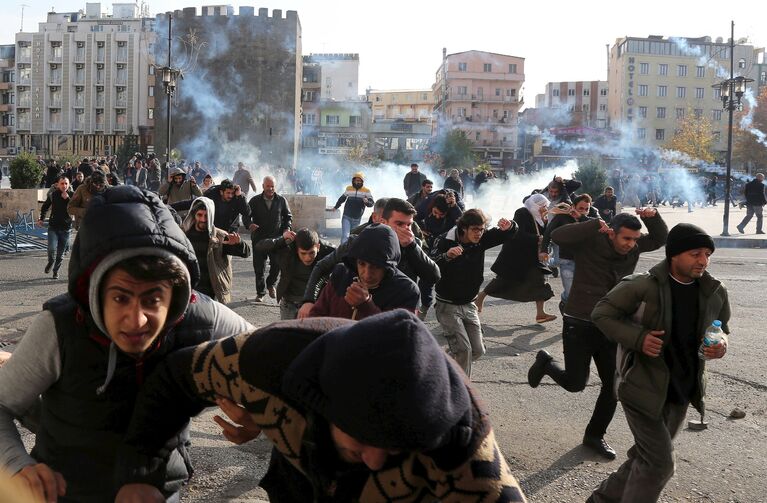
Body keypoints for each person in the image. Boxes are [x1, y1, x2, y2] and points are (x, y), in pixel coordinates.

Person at [0, 186, 253, 502]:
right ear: (95, 290)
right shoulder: (60, 328)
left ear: (175, 296)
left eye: (152, 299)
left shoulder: (203, 319)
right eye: (121, 297)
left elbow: (273, 358)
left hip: (158, 490)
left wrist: (259, 412)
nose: (136, 321)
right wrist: (16, 465)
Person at [114, 310, 528, 502]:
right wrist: (142, 473)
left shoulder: (462, 444)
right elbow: (172, 379)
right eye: (363, 436)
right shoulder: (267, 361)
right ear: (324, 400)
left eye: (398, 445)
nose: (375, 459)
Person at [587, 223, 730, 502]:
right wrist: (638, 338)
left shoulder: (714, 290)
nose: (703, 261)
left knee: (646, 457)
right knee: (660, 464)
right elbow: (601, 313)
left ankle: (600, 500)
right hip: (642, 388)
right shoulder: (643, 286)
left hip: (682, 391)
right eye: (696, 253)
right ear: (674, 255)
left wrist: (722, 342)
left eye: (707, 254)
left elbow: (721, 326)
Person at [528, 209, 668, 460]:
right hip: (580, 321)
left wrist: (652, 216)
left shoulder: (633, 248)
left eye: (635, 239)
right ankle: (546, 363)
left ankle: (594, 435)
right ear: (612, 233)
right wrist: (593, 225)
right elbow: (558, 235)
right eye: (626, 238)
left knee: (613, 385)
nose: (631, 244)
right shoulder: (590, 240)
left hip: (613, 325)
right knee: (575, 383)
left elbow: (660, 239)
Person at [297, 199, 438, 320]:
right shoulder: (359, 243)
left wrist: (412, 247)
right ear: (383, 222)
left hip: (394, 307)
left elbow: (433, 276)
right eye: (399, 224)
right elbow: (323, 267)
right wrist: (308, 300)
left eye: (409, 225)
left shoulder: (413, 245)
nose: (406, 230)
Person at [431, 209, 516, 377]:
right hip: (447, 305)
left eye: (481, 229)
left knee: (478, 351)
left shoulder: (481, 239)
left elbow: (507, 234)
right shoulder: (444, 240)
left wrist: (510, 226)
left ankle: (439, 365)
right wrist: (446, 256)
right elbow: (429, 264)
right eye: (475, 229)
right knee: (464, 350)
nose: (479, 234)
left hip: (469, 303)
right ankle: (462, 393)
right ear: (464, 228)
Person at [308, 224, 420, 319]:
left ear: (388, 266)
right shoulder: (341, 274)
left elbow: (402, 336)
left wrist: (367, 307)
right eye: (361, 264)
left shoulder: (407, 291)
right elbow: (317, 316)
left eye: (376, 266)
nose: (367, 274)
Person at [475, 194, 556, 323]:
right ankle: (480, 298)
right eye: (542, 205)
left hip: (531, 257)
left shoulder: (541, 218)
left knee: (539, 280)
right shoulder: (522, 212)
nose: (544, 208)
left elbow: (544, 232)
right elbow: (517, 233)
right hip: (515, 255)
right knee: (502, 280)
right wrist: (537, 239)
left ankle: (541, 314)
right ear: (535, 205)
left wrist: (545, 222)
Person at [181, 197, 251, 304]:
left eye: (206, 216)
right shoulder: (184, 235)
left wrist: (239, 243)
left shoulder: (220, 236)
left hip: (209, 291)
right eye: (199, 215)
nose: (203, 219)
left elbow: (246, 253)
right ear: (193, 215)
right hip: (188, 288)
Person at [255, 228, 335, 320]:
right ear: (297, 250)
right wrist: (282, 239)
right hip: (290, 304)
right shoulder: (287, 249)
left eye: (311, 253)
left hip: (316, 303)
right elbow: (259, 246)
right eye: (303, 253)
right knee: (289, 333)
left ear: (318, 247)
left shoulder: (328, 250)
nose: (308, 258)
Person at [541, 194, 595, 310]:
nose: (584, 211)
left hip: (585, 261)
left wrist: (581, 217)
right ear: (573, 206)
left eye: (587, 209)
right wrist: (544, 250)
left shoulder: (589, 218)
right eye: (581, 208)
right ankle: (565, 303)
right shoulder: (561, 218)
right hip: (566, 259)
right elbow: (548, 232)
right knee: (570, 292)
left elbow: (598, 225)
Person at [246, 176, 292, 302]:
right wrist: (249, 224)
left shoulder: (281, 200)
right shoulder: (255, 201)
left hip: (276, 239)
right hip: (259, 239)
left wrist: (286, 229)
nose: (270, 189)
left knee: (276, 265)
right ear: (263, 186)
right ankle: (260, 292)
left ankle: (271, 283)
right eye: (268, 186)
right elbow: (246, 216)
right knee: (259, 267)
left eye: (272, 186)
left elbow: (288, 216)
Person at [38, 175, 74, 279]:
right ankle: (50, 262)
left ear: (69, 185)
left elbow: (75, 208)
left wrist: (67, 199)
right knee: (51, 249)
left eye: (66, 183)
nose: (64, 185)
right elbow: (45, 207)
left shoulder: (72, 195)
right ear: (57, 184)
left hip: (66, 228)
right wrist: (41, 219)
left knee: (60, 254)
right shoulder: (53, 195)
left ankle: (55, 271)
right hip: (53, 227)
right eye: (62, 183)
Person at [329, 171, 374, 243]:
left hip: (357, 218)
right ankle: (342, 253)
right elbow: (342, 198)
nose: (357, 182)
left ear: (362, 181)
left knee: (353, 237)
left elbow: (371, 203)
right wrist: (336, 207)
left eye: (359, 181)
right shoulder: (349, 188)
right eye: (356, 180)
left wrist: (367, 202)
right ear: (353, 180)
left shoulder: (366, 191)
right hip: (346, 216)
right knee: (345, 236)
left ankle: (350, 253)